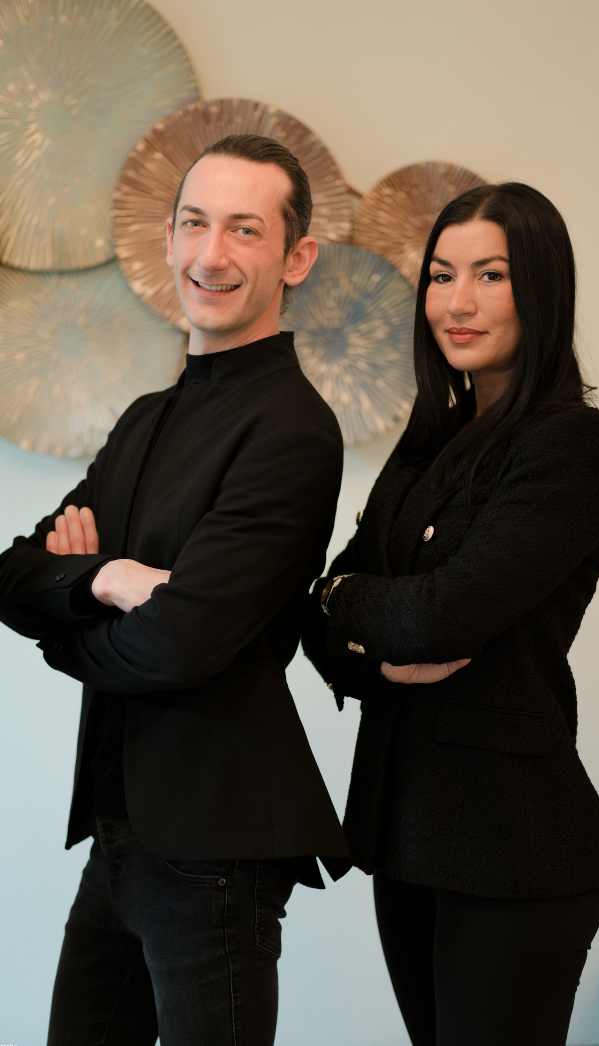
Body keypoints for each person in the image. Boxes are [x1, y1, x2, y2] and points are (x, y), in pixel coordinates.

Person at [0, 133, 351, 1046]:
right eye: (195, 223)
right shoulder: (145, 419)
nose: (211, 253)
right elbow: (12, 574)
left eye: (245, 229)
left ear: (296, 258)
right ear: (167, 239)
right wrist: (107, 577)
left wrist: (63, 622)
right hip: (120, 832)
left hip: (214, 849)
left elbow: (181, 642)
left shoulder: (292, 429)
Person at [302, 182, 599, 1046]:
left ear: (542, 289)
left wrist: (344, 600)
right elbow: (322, 630)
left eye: (491, 274)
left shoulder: (572, 442)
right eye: (442, 276)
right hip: (405, 831)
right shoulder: (428, 443)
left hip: (512, 845)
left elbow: (442, 617)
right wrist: (353, 626)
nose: (457, 302)